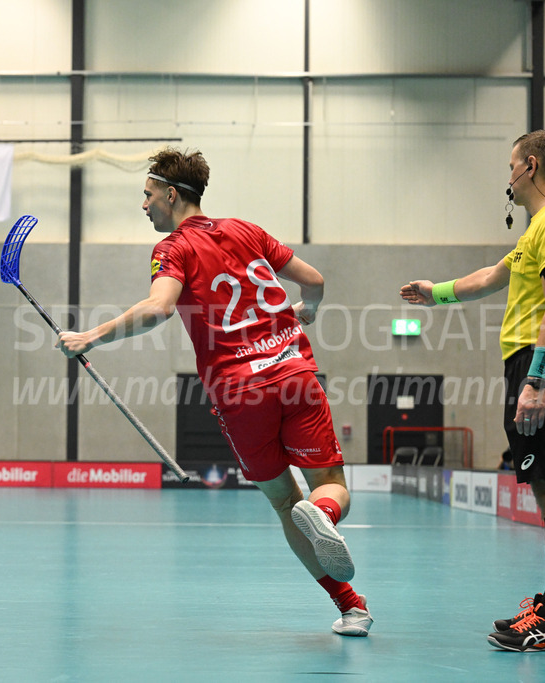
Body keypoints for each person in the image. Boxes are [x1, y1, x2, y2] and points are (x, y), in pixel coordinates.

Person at [56, 147, 372, 637]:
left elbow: (160, 309)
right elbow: (315, 280)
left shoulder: (172, 249)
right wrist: (307, 309)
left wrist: (90, 337)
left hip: (238, 393)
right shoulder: (247, 230)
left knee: (285, 504)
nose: (144, 206)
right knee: (331, 489)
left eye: (147, 194)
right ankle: (326, 514)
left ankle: (351, 606)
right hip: (294, 374)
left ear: (170, 193)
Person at [400, 130, 545, 653]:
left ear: (530, 166)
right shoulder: (537, 231)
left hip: (542, 364)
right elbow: (490, 276)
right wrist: (434, 294)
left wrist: (537, 380)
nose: (506, 176)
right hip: (533, 362)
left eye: (510, 165)